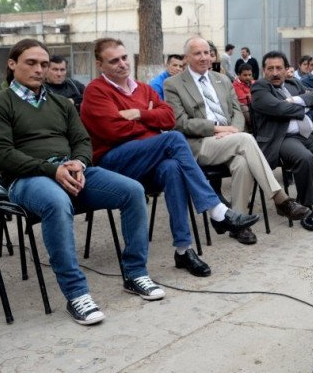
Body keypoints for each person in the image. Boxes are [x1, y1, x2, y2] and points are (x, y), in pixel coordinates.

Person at [0, 38, 164, 325]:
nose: (39, 69)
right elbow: (3, 156)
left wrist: (79, 162)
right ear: (12, 64)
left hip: (71, 172)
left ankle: (136, 274)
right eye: (31, 63)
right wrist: (52, 171)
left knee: (132, 190)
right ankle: (76, 293)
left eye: (44, 64)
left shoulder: (60, 103)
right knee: (55, 200)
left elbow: (81, 140)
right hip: (26, 180)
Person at [80, 38, 260, 274]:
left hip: (148, 160)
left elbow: (169, 118)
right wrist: (151, 124)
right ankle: (216, 210)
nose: (123, 64)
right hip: (113, 164)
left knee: (173, 168)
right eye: (114, 61)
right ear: (99, 65)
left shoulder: (142, 88)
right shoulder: (96, 91)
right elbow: (114, 131)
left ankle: (184, 250)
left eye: (124, 57)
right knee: (173, 140)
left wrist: (138, 114)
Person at [163, 36, 310, 229]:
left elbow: (237, 113)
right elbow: (180, 123)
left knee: (242, 163)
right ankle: (280, 198)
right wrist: (217, 128)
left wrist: (232, 132)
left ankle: (238, 224)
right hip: (199, 144)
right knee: (246, 140)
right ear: (186, 57)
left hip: (230, 139)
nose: (204, 57)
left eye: (206, 52)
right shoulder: (173, 84)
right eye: (197, 53)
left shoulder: (222, 80)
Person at [249, 51, 313, 227]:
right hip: (282, 139)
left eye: (279, 68)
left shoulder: (293, 83)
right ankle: (306, 207)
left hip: (308, 136)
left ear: (286, 69)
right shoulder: (260, 87)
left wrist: (293, 100)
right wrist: (303, 107)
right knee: (305, 158)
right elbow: (278, 109)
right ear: (263, 70)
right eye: (270, 68)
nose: (275, 72)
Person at [232, 64, 255, 131]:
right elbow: (243, 100)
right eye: (245, 75)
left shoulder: (253, 82)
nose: (248, 77)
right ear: (239, 75)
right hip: (244, 107)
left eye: (249, 75)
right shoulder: (235, 85)